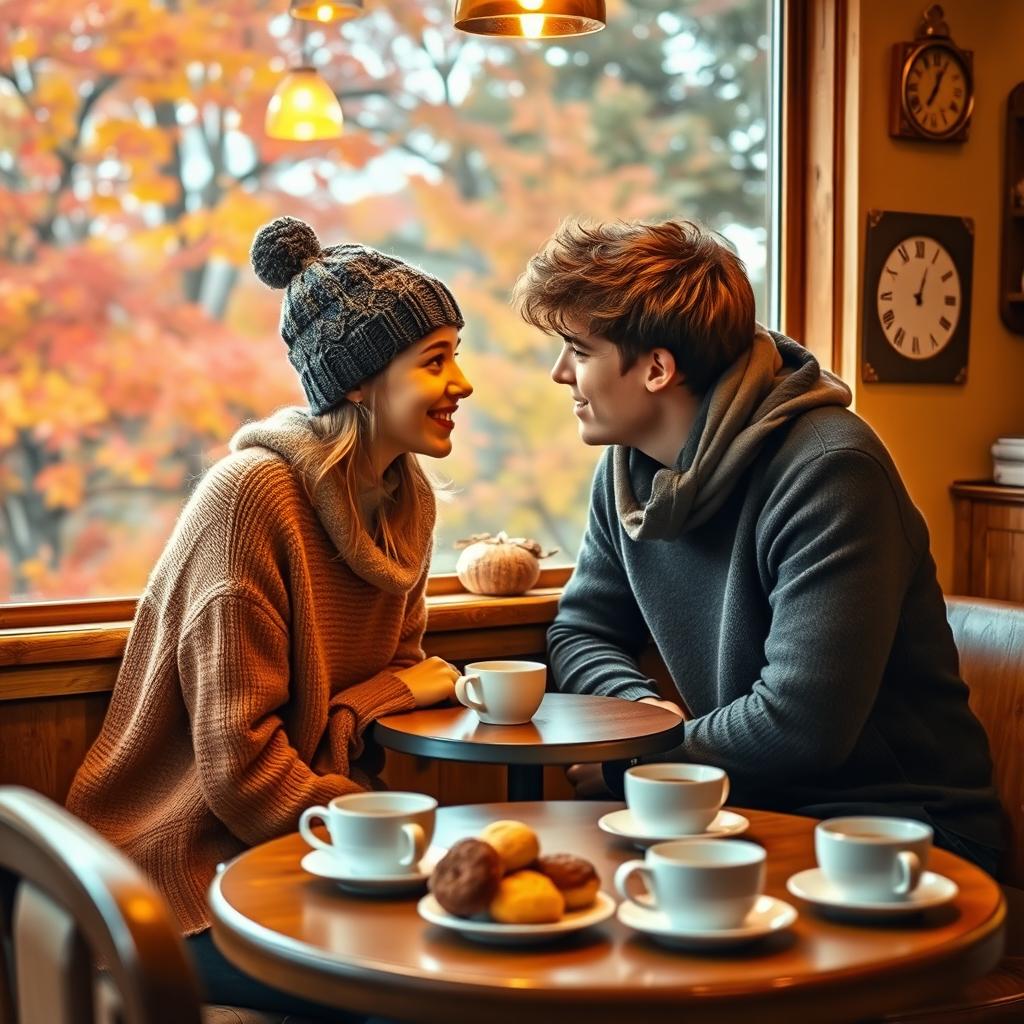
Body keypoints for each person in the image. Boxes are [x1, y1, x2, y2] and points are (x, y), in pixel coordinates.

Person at [66, 215, 473, 1017]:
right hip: (174, 872)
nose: (461, 383)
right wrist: (390, 836)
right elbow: (241, 775)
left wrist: (371, 703)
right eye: (435, 361)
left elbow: (405, 670)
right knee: (421, 989)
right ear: (358, 382)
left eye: (455, 355)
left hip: (299, 847)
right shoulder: (250, 499)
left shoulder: (406, 501)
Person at [513, 217, 1005, 875]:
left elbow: (798, 726)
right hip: (737, 813)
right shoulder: (627, 470)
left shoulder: (831, 469)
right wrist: (642, 722)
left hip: (901, 836)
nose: (559, 373)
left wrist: (634, 757)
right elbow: (581, 630)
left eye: (578, 348)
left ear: (657, 368)